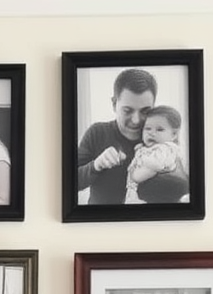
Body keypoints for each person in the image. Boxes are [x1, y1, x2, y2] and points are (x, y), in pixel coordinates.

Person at [76, 67, 189, 206]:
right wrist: (96, 166)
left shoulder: (160, 138)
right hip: (101, 222)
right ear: (114, 104)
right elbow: (70, 183)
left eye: (145, 111)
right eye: (127, 110)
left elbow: (184, 186)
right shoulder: (97, 133)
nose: (136, 120)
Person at [126, 105, 187, 206]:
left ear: (174, 134)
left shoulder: (165, 149)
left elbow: (154, 166)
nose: (152, 133)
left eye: (159, 129)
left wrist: (134, 176)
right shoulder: (149, 149)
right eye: (148, 128)